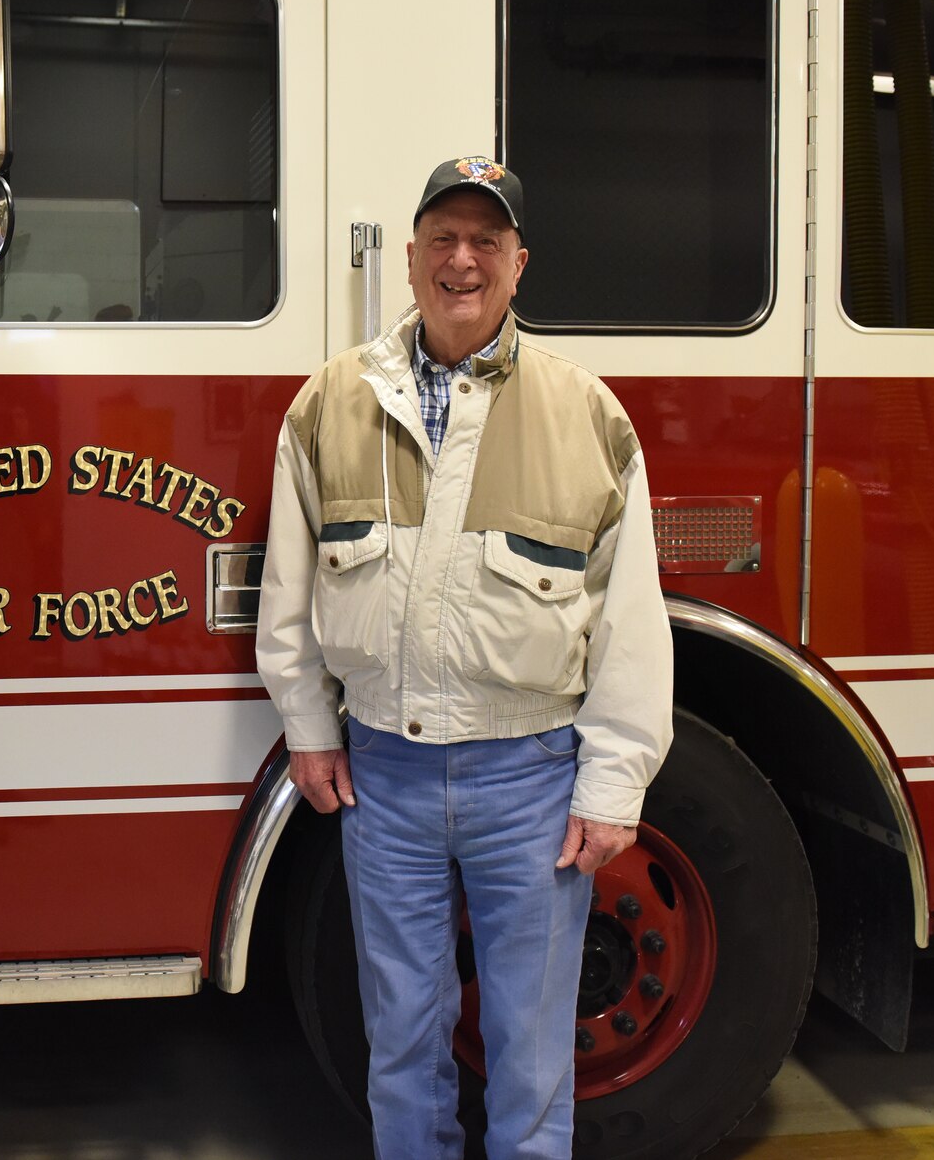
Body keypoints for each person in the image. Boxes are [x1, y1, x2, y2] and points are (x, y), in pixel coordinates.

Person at [255, 158, 672, 1159]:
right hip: (382, 779)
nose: (460, 258)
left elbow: (629, 618)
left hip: (526, 776)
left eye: (485, 240)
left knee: (528, 1054)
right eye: (441, 236)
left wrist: (611, 782)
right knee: (398, 1043)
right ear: (408, 257)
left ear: (518, 263)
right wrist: (307, 726)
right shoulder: (329, 401)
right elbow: (288, 584)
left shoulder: (587, 415)